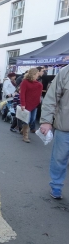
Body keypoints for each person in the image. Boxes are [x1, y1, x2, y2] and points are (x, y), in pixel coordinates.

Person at [40, 65, 69, 199]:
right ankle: (56, 186)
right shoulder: (65, 72)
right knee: (59, 159)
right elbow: (51, 98)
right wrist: (46, 121)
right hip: (65, 127)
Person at [19, 68, 43, 143]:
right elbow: (22, 93)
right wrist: (23, 104)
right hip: (26, 104)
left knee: (32, 120)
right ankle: (25, 136)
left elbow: (39, 95)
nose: (38, 75)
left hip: (34, 104)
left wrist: (38, 102)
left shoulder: (39, 84)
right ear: (33, 74)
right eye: (37, 74)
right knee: (27, 120)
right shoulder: (25, 82)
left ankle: (23, 129)